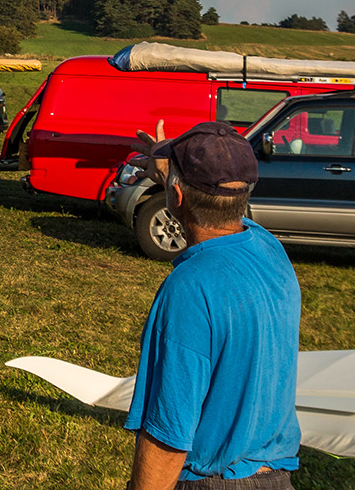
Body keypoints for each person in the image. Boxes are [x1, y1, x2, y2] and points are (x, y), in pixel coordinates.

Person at [124, 121, 301, 490]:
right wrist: (169, 173)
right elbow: (212, 202)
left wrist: (173, 180)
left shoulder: (190, 286)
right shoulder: (268, 247)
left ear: (175, 196)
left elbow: (169, 436)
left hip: (212, 483)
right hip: (276, 479)